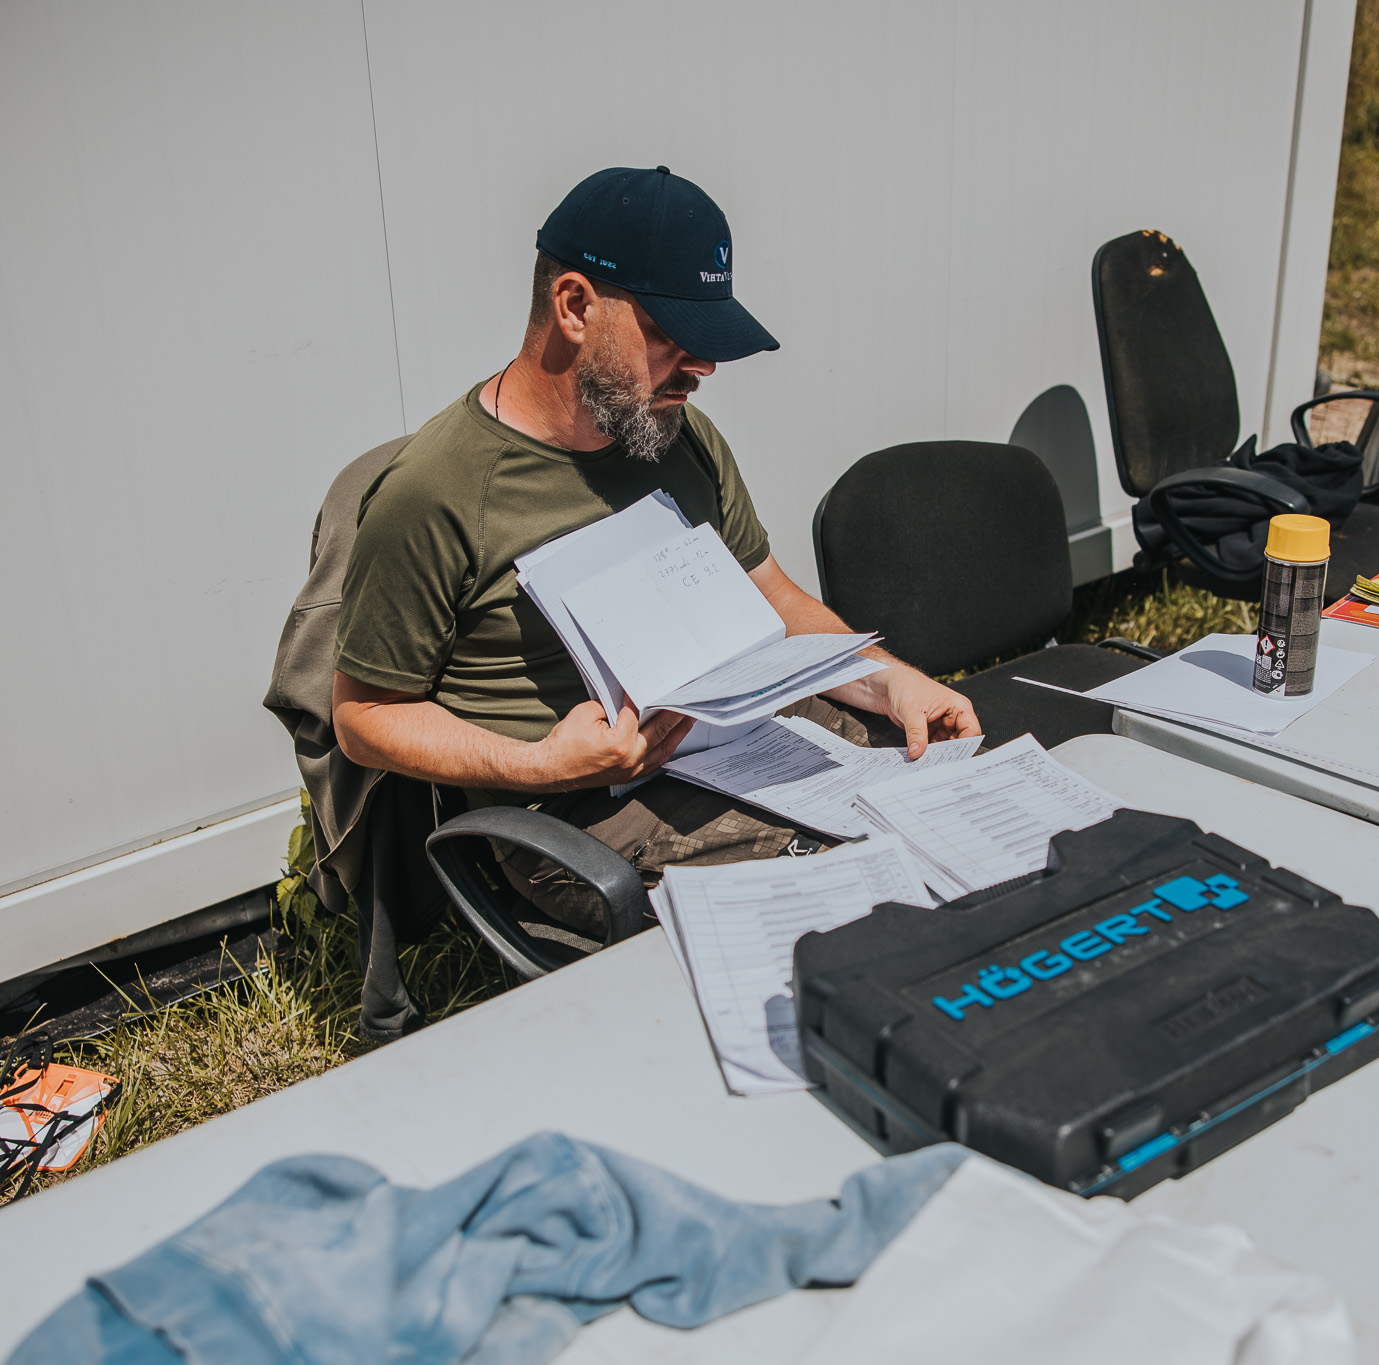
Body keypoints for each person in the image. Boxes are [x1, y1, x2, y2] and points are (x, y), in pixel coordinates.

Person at [330, 165, 979, 937]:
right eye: (674, 336)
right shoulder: (436, 494)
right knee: (852, 898)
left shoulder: (678, 437)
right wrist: (543, 765)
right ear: (574, 305)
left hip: (745, 735)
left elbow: (771, 596)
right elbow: (362, 714)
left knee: (950, 810)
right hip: (580, 805)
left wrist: (889, 683)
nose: (702, 368)